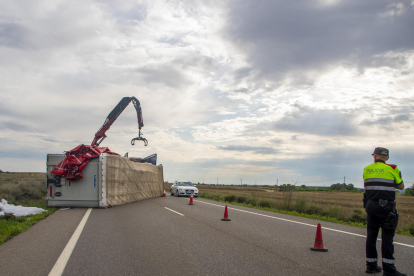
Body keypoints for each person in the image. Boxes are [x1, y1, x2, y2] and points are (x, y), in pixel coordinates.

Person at [363, 147, 406, 276]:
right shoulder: (393, 168)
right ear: (387, 157)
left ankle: (371, 265)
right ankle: (389, 269)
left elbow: (368, 185)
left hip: (370, 205)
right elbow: (401, 186)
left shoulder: (367, 169)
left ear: (374, 156)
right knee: (387, 238)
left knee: (371, 235)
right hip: (386, 206)